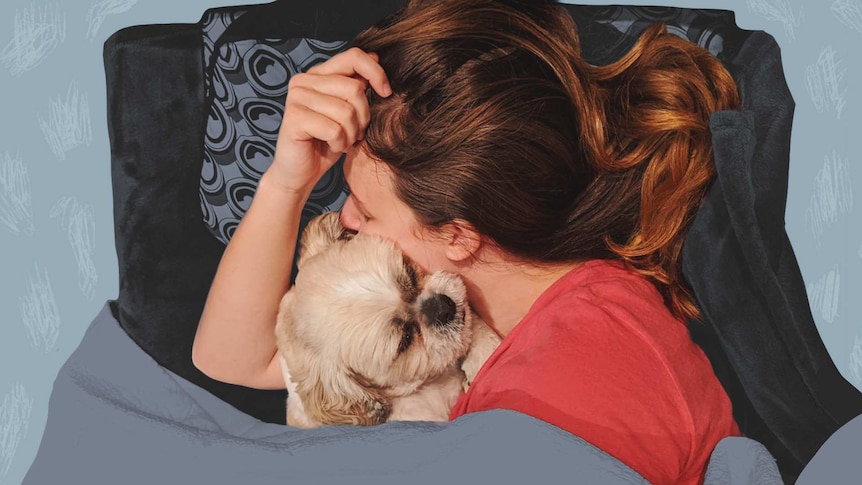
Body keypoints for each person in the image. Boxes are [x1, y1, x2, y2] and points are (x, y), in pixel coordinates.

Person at [193, 0, 742, 483]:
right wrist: (287, 181)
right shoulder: (520, 314)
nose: (346, 218)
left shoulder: (562, 391)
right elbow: (230, 359)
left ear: (457, 234)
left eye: (365, 204)